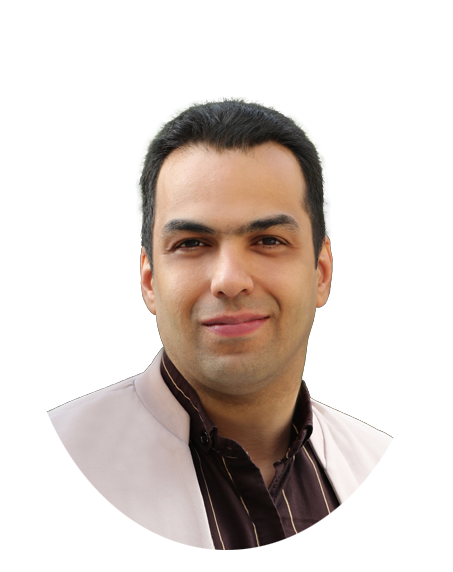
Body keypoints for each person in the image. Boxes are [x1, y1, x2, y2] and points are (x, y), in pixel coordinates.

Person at [46, 101, 393, 548]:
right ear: (149, 280)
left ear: (321, 272)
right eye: (192, 243)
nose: (229, 280)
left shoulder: (403, 485)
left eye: (268, 240)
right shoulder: (38, 482)